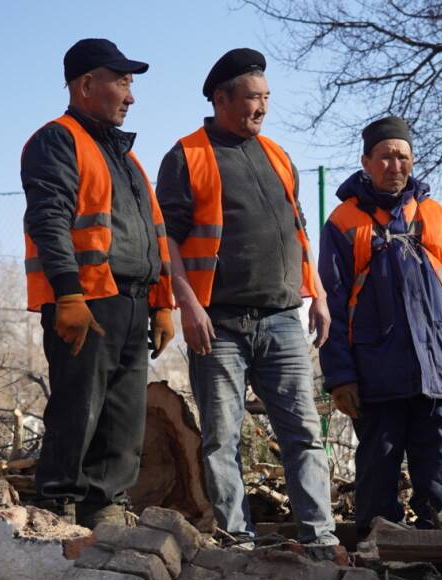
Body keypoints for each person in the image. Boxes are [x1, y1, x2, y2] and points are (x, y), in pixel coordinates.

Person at [157, 48, 338, 548]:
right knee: (222, 438)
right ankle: (238, 541)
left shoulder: (278, 155)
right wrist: (188, 305)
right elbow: (165, 238)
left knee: (303, 432)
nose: (261, 108)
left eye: (266, 98)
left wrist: (317, 293)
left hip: (283, 318)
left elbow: (298, 232)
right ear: (221, 99)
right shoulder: (186, 155)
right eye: (252, 98)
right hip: (219, 322)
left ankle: (320, 539)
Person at [22, 38, 183, 529]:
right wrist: (68, 294)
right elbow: (49, 220)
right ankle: (57, 507)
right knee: (79, 407)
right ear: (87, 84)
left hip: (131, 302)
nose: (130, 96)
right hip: (87, 301)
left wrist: (162, 304)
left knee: (123, 413)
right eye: (123, 82)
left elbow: (153, 237)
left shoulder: (127, 160)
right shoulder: (57, 140)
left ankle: (106, 507)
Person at [318, 117, 442, 536]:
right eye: (386, 157)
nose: (396, 165)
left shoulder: (437, 217)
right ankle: (379, 563)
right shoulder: (342, 224)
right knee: (377, 481)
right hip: (377, 381)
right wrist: (340, 376)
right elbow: (330, 309)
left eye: (404, 157)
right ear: (366, 162)